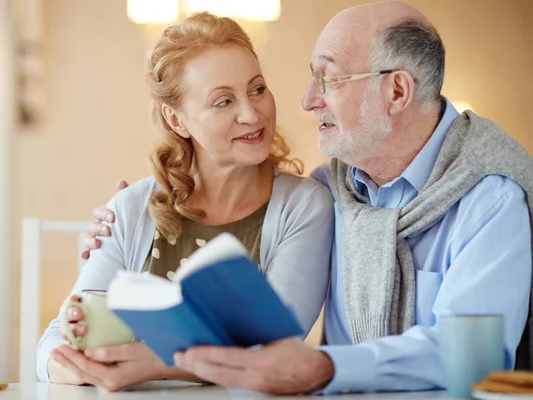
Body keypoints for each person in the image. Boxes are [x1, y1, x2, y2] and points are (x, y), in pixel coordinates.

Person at [86, 0, 533, 395]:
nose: (306, 100)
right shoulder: (331, 191)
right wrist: (111, 228)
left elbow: (474, 354)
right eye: (310, 78)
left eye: (329, 79)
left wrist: (322, 367)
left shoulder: (491, 197)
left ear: (397, 91)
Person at [36, 12, 335, 392]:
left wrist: (153, 362)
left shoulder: (305, 205)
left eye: (257, 89)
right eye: (223, 101)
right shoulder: (130, 208)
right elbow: (55, 344)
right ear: (176, 120)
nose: (252, 113)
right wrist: (82, 365)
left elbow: (275, 352)